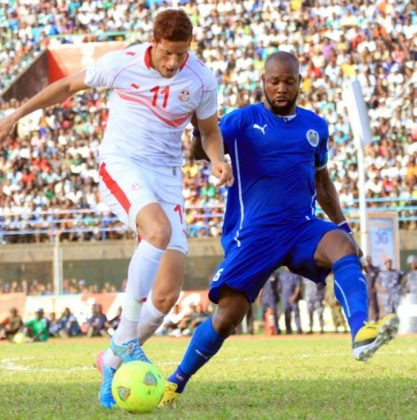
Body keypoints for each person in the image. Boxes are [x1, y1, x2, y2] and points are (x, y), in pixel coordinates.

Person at [0, 9, 232, 409]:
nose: (174, 62)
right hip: (122, 165)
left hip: (167, 177)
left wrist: (218, 160)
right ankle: (128, 339)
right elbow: (67, 86)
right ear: (154, 42)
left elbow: (208, 131)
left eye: (181, 54)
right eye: (168, 53)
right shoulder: (122, 63)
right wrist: (15, 115)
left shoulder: (201, 78)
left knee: (167, 294)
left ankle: (111, 358)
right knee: (157, 231)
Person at [160, 51, 399, 407]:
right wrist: (199, 124)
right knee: (228, 317)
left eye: (288, 81)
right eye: (274, 82)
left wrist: (344, 227)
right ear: (263, 83)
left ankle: (361, 332)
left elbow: (323, 183)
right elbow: (200, 151)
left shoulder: (315, 127)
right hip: (254, 234)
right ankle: (176, 381)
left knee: (342, 247)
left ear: (300, 82)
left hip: (301, 227)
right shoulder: (242, 120)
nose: (281, 88)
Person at [279, 269, 303, 334]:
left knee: (296, 313)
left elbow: (298, 286)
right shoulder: (281, 275)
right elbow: (279, 287)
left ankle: (299, 329)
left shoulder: (295, 274)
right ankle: (288, 330)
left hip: (293, 298)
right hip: (285, 298)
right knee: (287, 314)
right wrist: (281, 296)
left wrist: (294, 296)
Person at [365, 256, 380, 321]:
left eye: (369, 260)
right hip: (364, 293)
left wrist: (375, 287)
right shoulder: (362, 270)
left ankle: (376, 321)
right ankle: (365, 322)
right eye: (366, 260)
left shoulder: (375, 270)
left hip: (372, 293)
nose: (368, 261)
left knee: (374, 307)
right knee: (365, 308)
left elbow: (379, 279)